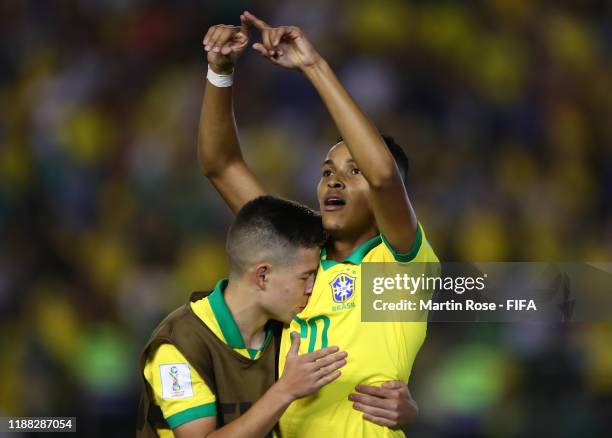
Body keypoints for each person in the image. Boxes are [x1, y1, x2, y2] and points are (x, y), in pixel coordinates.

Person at [199, 12, 439, 436]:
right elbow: (221, 165)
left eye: (353, 170)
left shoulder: (400, 265)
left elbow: (383, 175)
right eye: (327, 169)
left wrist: (314, 66)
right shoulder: (293, 249)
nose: (334, 178)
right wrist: (220, 73)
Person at [137, 196, 347, 438]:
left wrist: (397, 409)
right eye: (305, 277)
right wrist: (285, 390)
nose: (312, 288)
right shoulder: (179, 345)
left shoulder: (290, 329)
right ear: (263, 276)